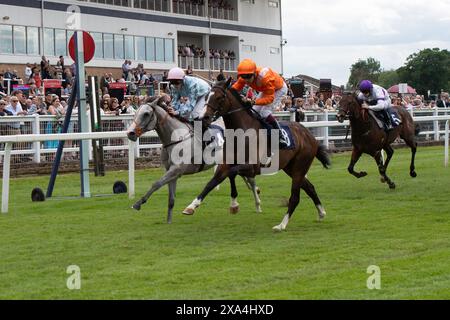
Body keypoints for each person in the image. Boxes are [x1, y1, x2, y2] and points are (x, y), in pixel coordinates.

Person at [231, 58, 289, 147]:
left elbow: (269, 99)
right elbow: (234, 90)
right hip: (265, 89)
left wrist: (253, 101)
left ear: (254, 73)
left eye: (248, 77)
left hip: (279, 89)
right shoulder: (245, 76)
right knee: (254, 112)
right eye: (243, 77)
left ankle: (280, 136)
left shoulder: (265, 78)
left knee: (264, 112)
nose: (246, 80)